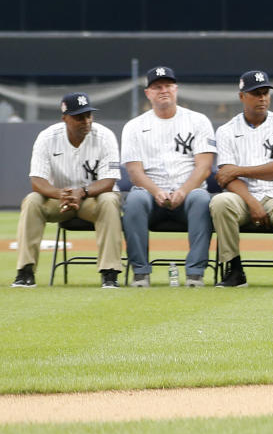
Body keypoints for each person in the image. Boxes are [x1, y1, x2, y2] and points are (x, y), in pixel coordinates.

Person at [12, 93, 121, 289]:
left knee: (109, 200)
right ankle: (25, 272)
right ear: (65, 118)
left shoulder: (105, 136)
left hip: (93, 199)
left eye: (89, 115)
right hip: (59, 200)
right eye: (79, 117)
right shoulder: (47, 137)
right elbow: (37, 180)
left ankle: (110, 273)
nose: (86, 121)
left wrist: (82, 192)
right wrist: (60, 194)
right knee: (32, 200)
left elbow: (109, 180)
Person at [121, 67, 216, 287]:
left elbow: (204, 167)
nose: (163, 91)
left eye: (168, 86)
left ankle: (195, 274)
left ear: (176, 89)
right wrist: (156, 191)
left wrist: (183, 191)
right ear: (148, 93)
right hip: (150, 196)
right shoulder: (134, 126)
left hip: (189, 194)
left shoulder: (198, 121)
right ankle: (141, 272)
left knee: (202, 199)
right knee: (134, 200)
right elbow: (134, 172)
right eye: (157, 87)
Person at [209, 70, 273, 288]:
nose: (262, 98)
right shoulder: (226, 130)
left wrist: (238, 170)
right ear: (242, 96)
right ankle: (234, 269)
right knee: (220, 202)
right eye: (256, 93)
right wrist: (252, 202)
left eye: (265, 93)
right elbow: (226, 178)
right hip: (241, 198)